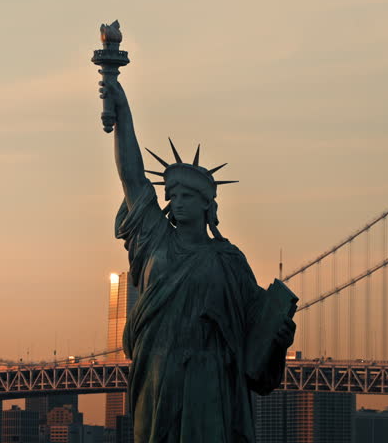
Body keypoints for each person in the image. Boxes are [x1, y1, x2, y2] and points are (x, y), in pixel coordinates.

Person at [99, 79, 296, 442]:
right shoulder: (154, 239)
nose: (178, 201)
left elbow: (256, 332)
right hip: (157, 373)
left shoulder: (228, 260)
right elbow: (132, 177)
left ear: (208, 205)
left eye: (188, 194)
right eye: (172, 195)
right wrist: (123, 110)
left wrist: (280, 340)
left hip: (210, 383)